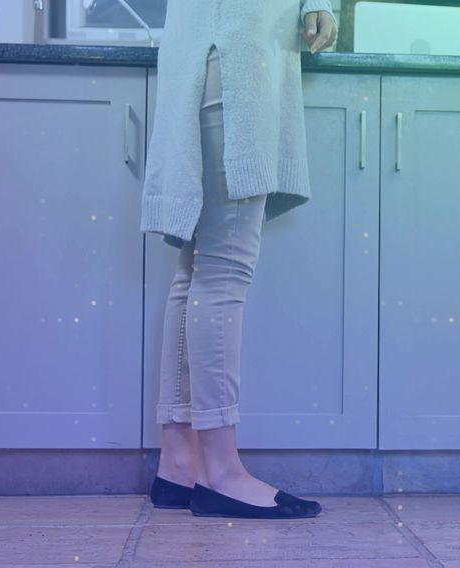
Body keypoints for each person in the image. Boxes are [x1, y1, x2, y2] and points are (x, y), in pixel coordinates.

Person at [140, 0, 338, 519]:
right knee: (223, 267)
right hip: (232, 57)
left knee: (197, 267)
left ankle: (180, 460)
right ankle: (221, 470)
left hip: (216, 52)